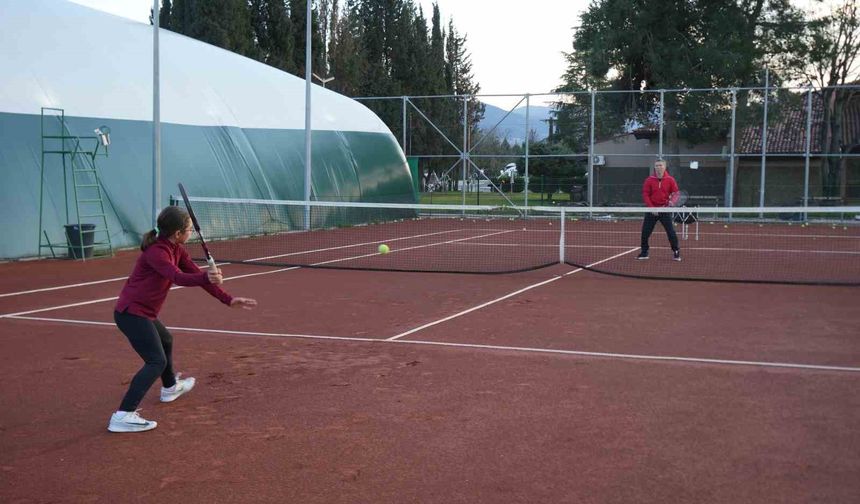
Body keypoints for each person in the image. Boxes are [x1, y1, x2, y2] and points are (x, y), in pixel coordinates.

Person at [108, 206, 257, 433]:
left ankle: (169, 388)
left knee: (166, 339)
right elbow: (177, 277)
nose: (191, 233)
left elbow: (196, 275)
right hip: (131, 313)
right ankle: (123, 415)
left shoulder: (176, 249)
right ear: (178, 233)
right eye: (189, 230)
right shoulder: (157, 252)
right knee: (156, 362)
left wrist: (228, 299)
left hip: (143, 313)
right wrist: (206, 276)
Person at [637, 160, 681, 261]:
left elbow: (676, 193)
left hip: (665, 211)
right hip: (651, 211)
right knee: (645, 232)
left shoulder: (670, 180)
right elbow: (645, 194)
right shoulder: (649, 180)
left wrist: (672, 202)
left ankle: (676, 251)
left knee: (671, 232)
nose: (658, 167)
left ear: (664, 167)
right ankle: (644, 252)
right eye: (656, 166)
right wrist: (652, 208)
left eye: (660, 165)